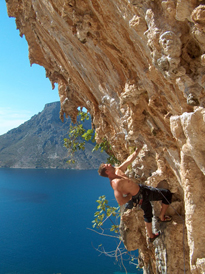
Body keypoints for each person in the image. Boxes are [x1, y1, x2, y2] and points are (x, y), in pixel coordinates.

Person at [98, 144, 172, 243]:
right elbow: (120, 201)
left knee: (148, 212)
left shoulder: (118, 170)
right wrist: (129, 196)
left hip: (141, 190)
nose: (110, 164)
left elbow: (129, 160)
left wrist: (138, 150)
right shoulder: (115, 183)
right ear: (107, 171)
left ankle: (151, 236)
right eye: (108, 165)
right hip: (140, 195)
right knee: (167, 194)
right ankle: (162, 217)